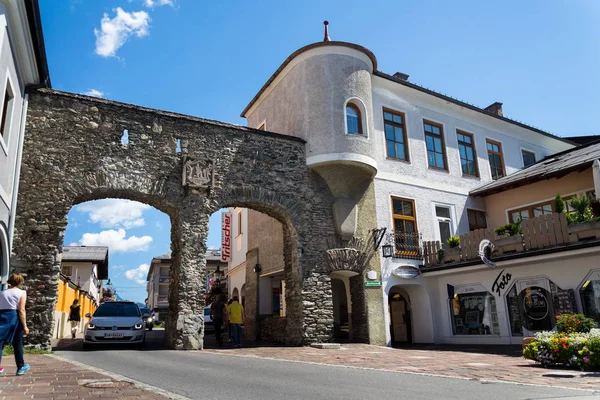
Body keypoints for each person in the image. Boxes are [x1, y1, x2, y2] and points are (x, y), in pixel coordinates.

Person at [0, 273, 30, 376]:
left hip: (2, 317)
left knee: (0, 343)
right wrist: (25, 326)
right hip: (14, 317)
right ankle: (20, 367)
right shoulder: (22, 293)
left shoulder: (2, 292)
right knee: (17, 343)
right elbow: (21, 310)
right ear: (20, 282)